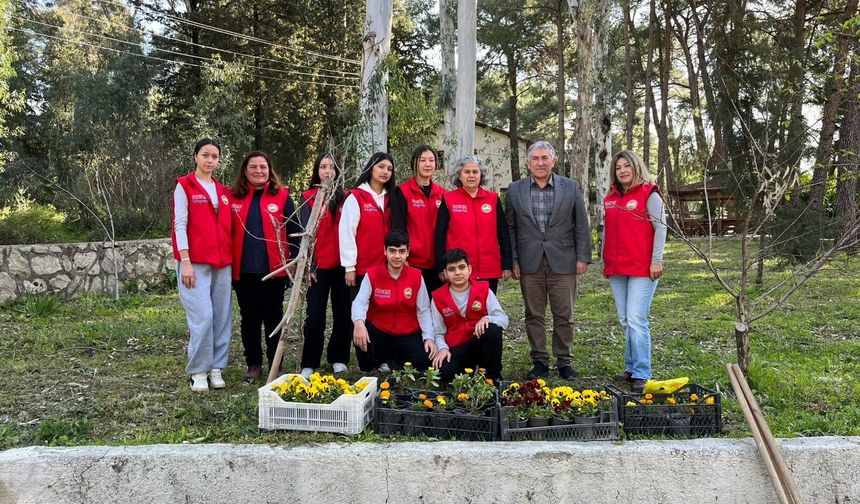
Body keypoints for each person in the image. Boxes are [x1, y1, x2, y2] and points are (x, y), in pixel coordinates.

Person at [506, 140, 591, 381]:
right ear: (528, 163)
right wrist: (512, 261)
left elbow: (581, 225)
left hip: (564, 261)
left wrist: (583, 257)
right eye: (535, 158)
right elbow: (510, 229)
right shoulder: (515, 190)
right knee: (534, 314)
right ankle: (540, 361)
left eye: (545, 158)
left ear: (553, 161)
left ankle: (564, 361)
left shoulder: (571, 187)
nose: (540, 163)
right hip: (529, 261)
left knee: (564, 314)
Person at [228, 151, 300, 382]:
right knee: (249, 319)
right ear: (245, 171)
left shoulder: (282, 196)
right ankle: (253, 364)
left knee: (273, 317)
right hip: (244, 271)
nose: (259, 171)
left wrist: (296, 262)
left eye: (263, 167)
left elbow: (295, 232)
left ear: (270, 170)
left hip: (275, 271)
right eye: (253, 167)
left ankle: (275, 364)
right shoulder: (233, 197)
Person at [171, 138, 233, 392]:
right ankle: (198, 370)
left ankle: (216, 367)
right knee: (203, 317)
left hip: (222, 262)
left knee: (221, 317)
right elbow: (180, 225)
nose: (210, 160)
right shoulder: (184, 186)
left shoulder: (223, 191)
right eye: (205, 155)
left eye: (214, 156)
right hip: (194, 262)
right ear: (196, 156)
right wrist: (185, 261)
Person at [603, 150, 666, 392]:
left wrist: (656, 260)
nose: (622, 171)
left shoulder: (649, 192)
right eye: (618, 167)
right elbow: (607, 231)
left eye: (627, 166)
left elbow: (660, 228)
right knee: (625, 320)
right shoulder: (610, 197)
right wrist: (605, 260)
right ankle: (631, 368)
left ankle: (642, 372)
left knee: (637, 319)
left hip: (643, 267)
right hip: (617, 267)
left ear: (636, 167)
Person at [351, 230, 437, 372]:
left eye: (402, 251)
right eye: (392, 251)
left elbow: (424, 310)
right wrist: (359, 323)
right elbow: (359, 302)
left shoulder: (416, 276)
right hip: (380, 331)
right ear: (385, 251)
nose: (397, 256)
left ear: (408, 252)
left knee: (425, 360)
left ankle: (393, 361)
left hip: (407, 333)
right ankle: (372, 367)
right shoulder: (372, 274)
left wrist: (429, 338)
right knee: (358, 325)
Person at [298, 154, 352, 378]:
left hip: (343, 266)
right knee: (315, 315)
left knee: (343, 314)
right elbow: (302, 237)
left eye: (332, 167)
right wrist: (308, 267)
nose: (328, 171)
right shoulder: (307, 198)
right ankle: (310, 362)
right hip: (318, 268)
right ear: (316, 171)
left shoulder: (347, 198)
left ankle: (338, 358)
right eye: (323, 167)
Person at [434, 155, 513, 293]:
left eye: (475, 172)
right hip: (458, 271)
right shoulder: (448, 199)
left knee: (485, 312)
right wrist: (442, 267)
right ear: (459, 175)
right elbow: (439, 235)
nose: (471, 176)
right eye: (467, 172)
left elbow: (503, 233)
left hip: (489, 269)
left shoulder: (493, 198)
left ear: (481, 175)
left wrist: (507, 264)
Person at [430, 248, 508, 382]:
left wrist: (488, 318)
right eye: (452, 269)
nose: (458, 273)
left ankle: (493, 377)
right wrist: (442, 349)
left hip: (481, 342)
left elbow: (504, 319)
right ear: (446, 274)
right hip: (457, 346)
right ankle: (468, 374)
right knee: (443, 372)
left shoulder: (483, 289)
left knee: (493, 330)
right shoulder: (438, 297)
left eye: (461, 267)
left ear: (469, 269)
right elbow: (438, 332)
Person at [339, 152, 395, 300]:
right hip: (362, 269)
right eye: (381, 167)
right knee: (360, 314)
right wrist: (349, 267)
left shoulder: (392, 198)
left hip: (387, 268)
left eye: (389, 169)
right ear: (371, 168)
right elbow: (347, 234)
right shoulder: (356, 197)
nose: (385, 172)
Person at [392, 145, 445, 293]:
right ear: (414, 163)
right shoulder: (402, 191)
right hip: (414, 263)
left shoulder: (442, 193)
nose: (427, 164)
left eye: (431, 160)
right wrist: (404, 258)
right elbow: (398, 228)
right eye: (422, 160)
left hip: (438, 264)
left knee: (437, 308)